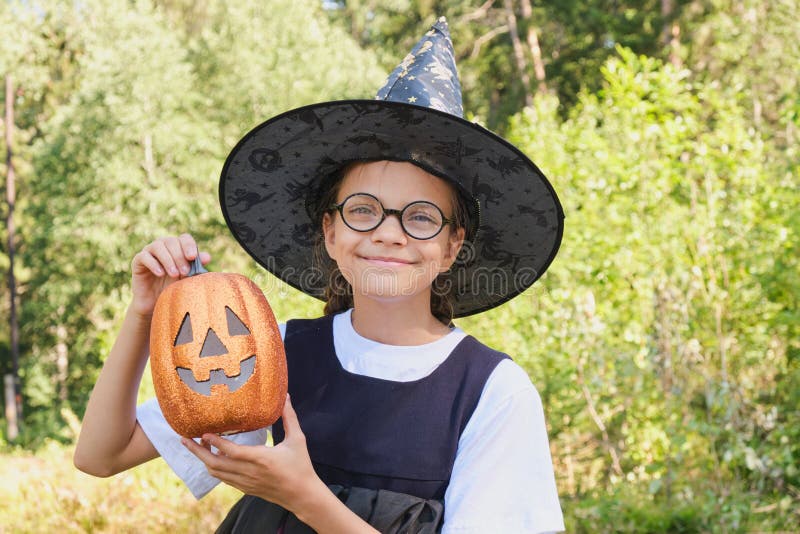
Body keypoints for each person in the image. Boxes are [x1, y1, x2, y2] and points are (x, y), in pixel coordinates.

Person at [74, 17, 565, 533]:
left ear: (451, 246)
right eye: (363, 210)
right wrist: (144, 314)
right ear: (331, 232)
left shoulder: (493, 391)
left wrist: (302, 496)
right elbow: (101, 456)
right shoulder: (278, 352)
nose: (389, 234)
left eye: (420, 217)